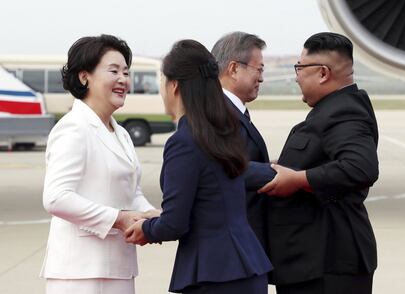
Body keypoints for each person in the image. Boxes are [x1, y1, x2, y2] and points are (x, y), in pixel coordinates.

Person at [124, 39, 272, 294]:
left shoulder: (184, 141)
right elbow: (210, 201)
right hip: (246, 267)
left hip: (215, 274)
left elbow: (175, 224)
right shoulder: (221, 132)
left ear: (174, 86)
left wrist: (146, 229)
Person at [253, 32, 379, 294]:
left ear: (322, 73)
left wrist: (299, 179)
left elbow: (360, 167)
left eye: (299, 68)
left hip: (328, 263)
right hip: (315, 261)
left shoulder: (344, 112)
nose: (296, 76)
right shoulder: (332, 109)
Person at [40, 34, 159, 294]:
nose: (123, 80)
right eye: (113, 71)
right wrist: (118, 219)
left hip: (118, 268)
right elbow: (56, 197)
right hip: (79, 273)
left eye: (126, 73)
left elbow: (132, 193)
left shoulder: (122, 134)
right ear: (85, 77)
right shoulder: (73, 128)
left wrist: (156, 218)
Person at [211, 31, 270, 248]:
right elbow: (223, 169)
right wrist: (278, 174)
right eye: (259, 69)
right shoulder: (215, 114)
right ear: (234, 69)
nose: (262, 77)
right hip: (232, 248)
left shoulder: (230, 110)